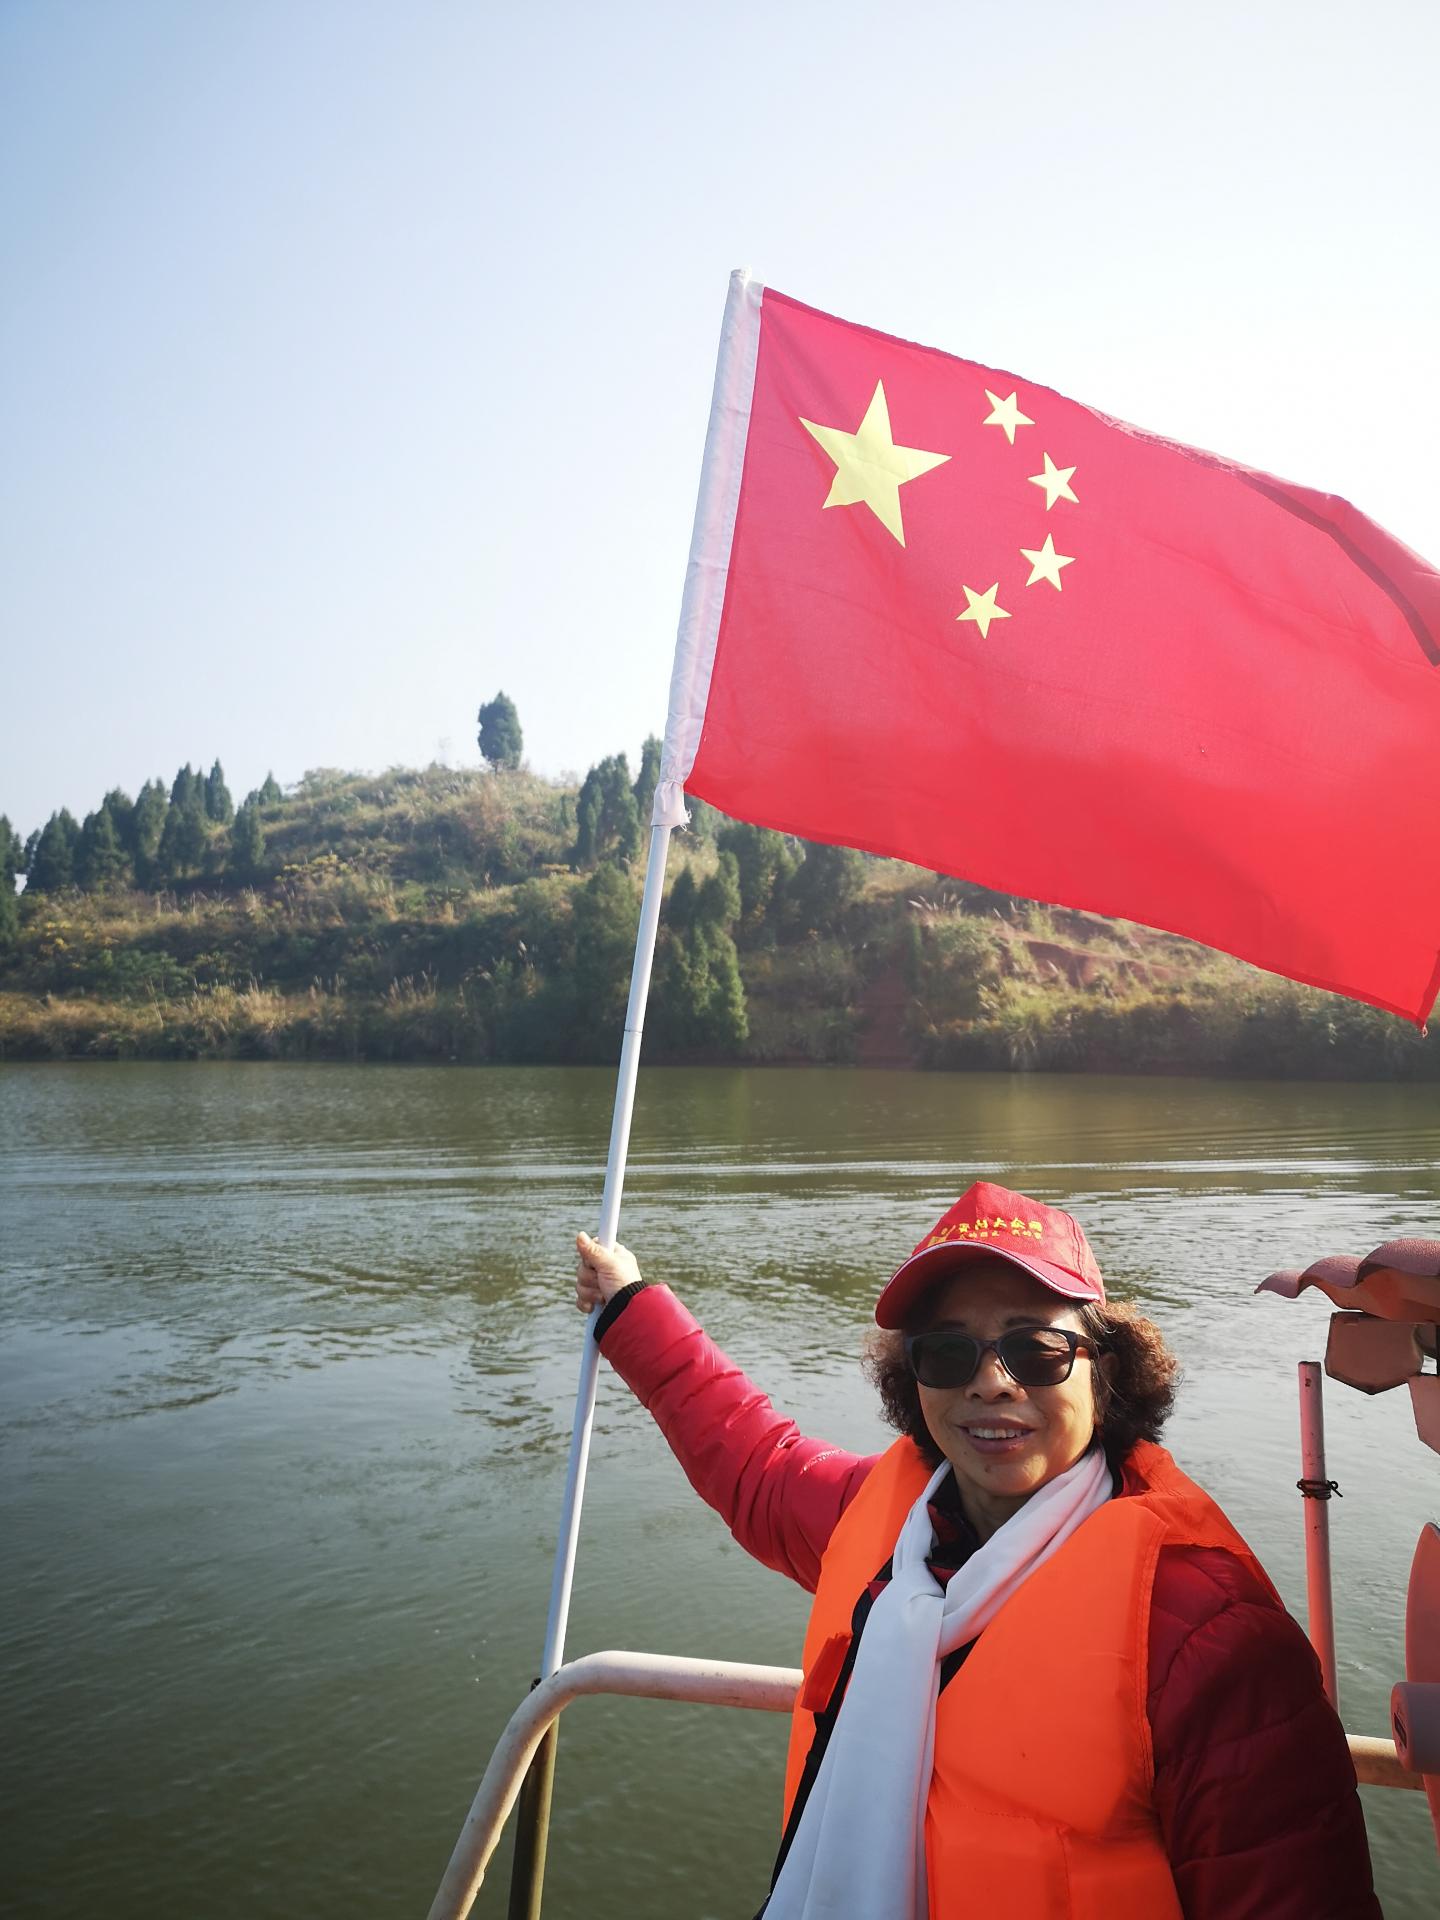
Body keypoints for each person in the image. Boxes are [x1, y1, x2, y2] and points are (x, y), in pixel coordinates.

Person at [575, 1179, 1380, 1920]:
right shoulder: (883, 1522)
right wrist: (629, 1307)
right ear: (912, 1378)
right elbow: (753, 1462)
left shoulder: (1209, 1636)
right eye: (948, 1352)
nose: (991, 1381)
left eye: (1036, 1349)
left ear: (1104, 1373)